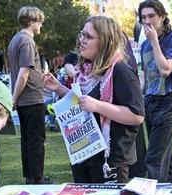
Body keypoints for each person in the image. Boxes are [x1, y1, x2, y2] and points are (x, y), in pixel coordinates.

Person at [43, 16, 145, 183]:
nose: (82, 40)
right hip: (82, 152)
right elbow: (83, 102)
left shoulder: (121, 71)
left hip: (109, 160)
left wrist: (98, 106)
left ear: (105, 42)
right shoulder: (85, 71)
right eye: (82, 35)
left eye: (89, 37)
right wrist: (60, 89)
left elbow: (137, 115)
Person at [138, 0, 172, 182]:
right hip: (149, 101)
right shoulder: (144, 45)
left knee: (154, 158)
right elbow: (145, 77)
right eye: (143, 17)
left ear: (162, 17)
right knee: (164, 154)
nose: (147, 21)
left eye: (152, 16)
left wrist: (155, 42)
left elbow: (165, 70)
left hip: (168, 101)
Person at [8, 6, 52, 185]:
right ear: (32, 22)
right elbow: (23, 73)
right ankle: (37, 178)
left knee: (27, 139)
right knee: (36, 140)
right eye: (39, 21)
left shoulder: (15, 39)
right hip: (31, 98)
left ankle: (30, 175)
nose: (41, 25)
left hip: (24, 99)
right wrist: (14, 98)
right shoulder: (26, 41)